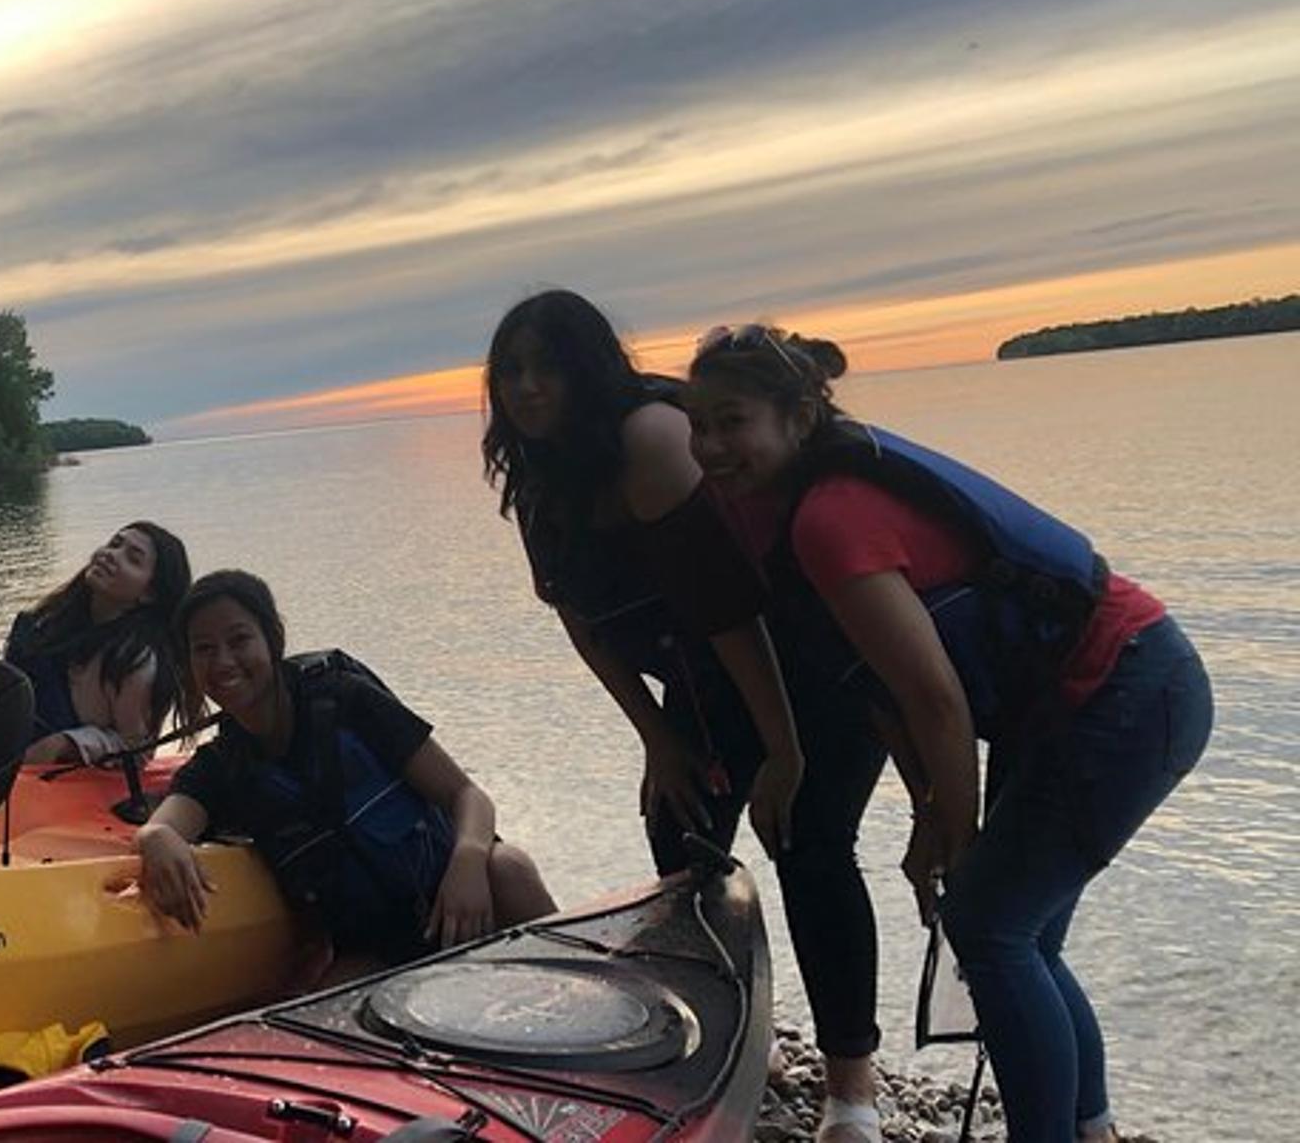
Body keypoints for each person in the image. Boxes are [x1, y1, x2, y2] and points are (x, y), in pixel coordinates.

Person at [685, 324, 1213, 1143]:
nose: (711, 445)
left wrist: (957, 842)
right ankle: (1090, 1128)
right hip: (1075, 701)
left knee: (993, 926)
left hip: (1127, 686)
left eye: (732, 421)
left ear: (797, 417)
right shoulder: (780, 512)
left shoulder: (831, 515)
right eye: (699, 425)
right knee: (1017, 932)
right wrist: (931, 814)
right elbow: (888, 688)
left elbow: (937, 701)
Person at [484, 290, 889, 1143]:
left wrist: (783, 750)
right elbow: (581, 620)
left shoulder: (650, 436)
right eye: (510, 370)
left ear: (588, 364)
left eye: (546, 365)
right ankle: (735, 1034)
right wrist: (657, 738)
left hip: (803, 662)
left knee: (810, 845)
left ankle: (851, 1085)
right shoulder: (539, 471)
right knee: (682, 837)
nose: (526, 386)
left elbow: (730, 609)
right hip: (699, 679)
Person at [136, 570, 555, 980]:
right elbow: (165, 827)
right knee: (335, 991)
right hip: (379, 949)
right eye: (203, 649)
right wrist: (156, 838)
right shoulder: (219, 767)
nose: (223, 661)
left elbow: (468, 795)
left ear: (272, 639)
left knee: (508, 868)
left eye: (239, 640)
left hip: (459, 902)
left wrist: (468, 863)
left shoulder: (346, 701)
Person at [6, 522, 192, 766]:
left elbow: (137, 749)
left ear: (150, 594)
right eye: (114, 544)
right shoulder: (44, 623)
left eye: (133, 559)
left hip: (70, 778)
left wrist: (66, 743)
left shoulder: (135, 659)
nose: (111, 555)